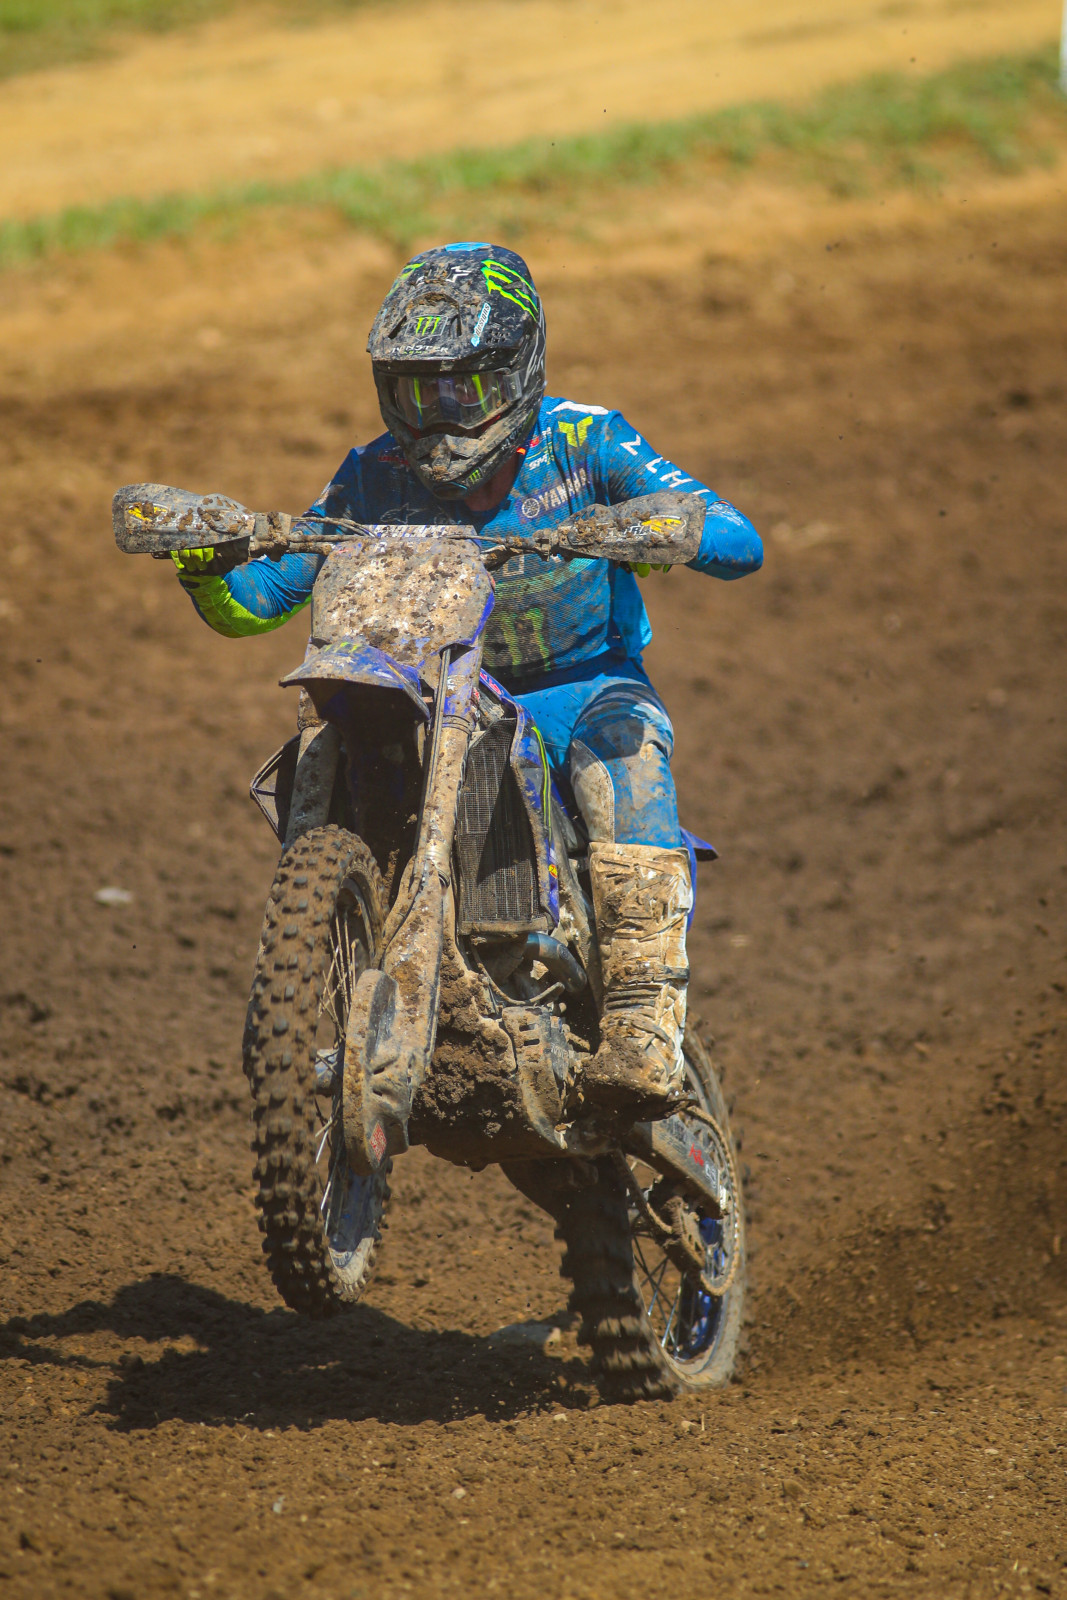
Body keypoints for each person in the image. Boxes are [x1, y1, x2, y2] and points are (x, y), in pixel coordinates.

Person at [173, 242, 762, 1116]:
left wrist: (664, 530)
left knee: (625, 758)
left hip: (578, 688)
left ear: (517, 372)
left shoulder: (586, 440)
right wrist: (204, 566)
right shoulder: (372, 475)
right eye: (419, 393)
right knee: (334, 736)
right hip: (431, 693)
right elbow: (258, 602)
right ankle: (339, 944)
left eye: (465, 389)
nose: (441, 416)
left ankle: (642, 1021)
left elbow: (740, 541)